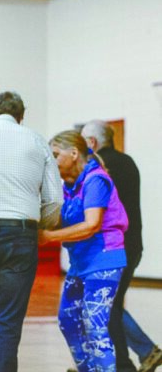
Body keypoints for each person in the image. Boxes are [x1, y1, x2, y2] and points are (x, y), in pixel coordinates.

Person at [0, 91, 63, 372]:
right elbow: (54, 199)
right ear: (21, 117)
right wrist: (42, 226)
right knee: (7, 324)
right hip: (20, 234)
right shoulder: (36, 140)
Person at [40, 130, 128, 372]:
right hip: (81, 263)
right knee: (68, 320)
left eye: (56, 155)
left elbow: (91, 225)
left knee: (95, 325)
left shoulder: (95, 180)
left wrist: (48, 237)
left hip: (104, 260)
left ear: (74, 153)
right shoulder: (69, 187)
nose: (52, 161)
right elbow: (61, 218)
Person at [81, 120, 162, 372]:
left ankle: (133, 358)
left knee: (107, 305)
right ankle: (133, 357)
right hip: (133, 245)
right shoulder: (127, 162)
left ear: (92, 142)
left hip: (114, 247)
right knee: (109, 304)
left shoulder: (100, 168)